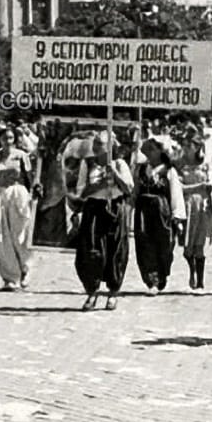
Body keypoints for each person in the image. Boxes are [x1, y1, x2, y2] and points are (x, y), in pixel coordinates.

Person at [75, 130, 133, 311]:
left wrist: (114, 173)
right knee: (92, 249)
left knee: (115, 249)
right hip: (94, 208)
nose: (96, 147)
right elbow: (81, 192)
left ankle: (113, 292)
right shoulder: (88, 164)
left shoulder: (120, 163)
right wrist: (100, 183)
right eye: (96, 143)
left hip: (115, 207)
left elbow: (128, 189)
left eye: (100, 143)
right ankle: (92, 292)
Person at [0, 126, 36, 291]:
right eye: (4, 138)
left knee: (19, 235)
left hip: (18, 195)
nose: (7, 142)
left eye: (10, 138)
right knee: (1, 238)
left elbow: (30, 179)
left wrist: (33, 197)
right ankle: (9, 277)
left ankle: (25, 269)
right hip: (0, 197)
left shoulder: (21, 156)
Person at [133, 137, 186, 295]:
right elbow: (135, 191)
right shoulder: (140, 169)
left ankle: (162, 275)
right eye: (147, 149)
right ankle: (152, 280)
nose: (149, 152)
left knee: (163, 245)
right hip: (143, 211)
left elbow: (176, 194)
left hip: (162, 212)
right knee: (144, 244)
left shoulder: (169, 171)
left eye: (152, 149)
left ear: (160, 151)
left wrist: (178, 216)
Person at [178, 137, 212, 293]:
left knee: (199, 244)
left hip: (202, 206)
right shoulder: (181, 164)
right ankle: (191, 271)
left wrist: (210, 188)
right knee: (187, 245)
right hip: (187, 206)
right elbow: (180, 187)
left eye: (189, 145)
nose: (186, 148)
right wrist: (200, 186)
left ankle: (200, 282)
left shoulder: (206, 165)